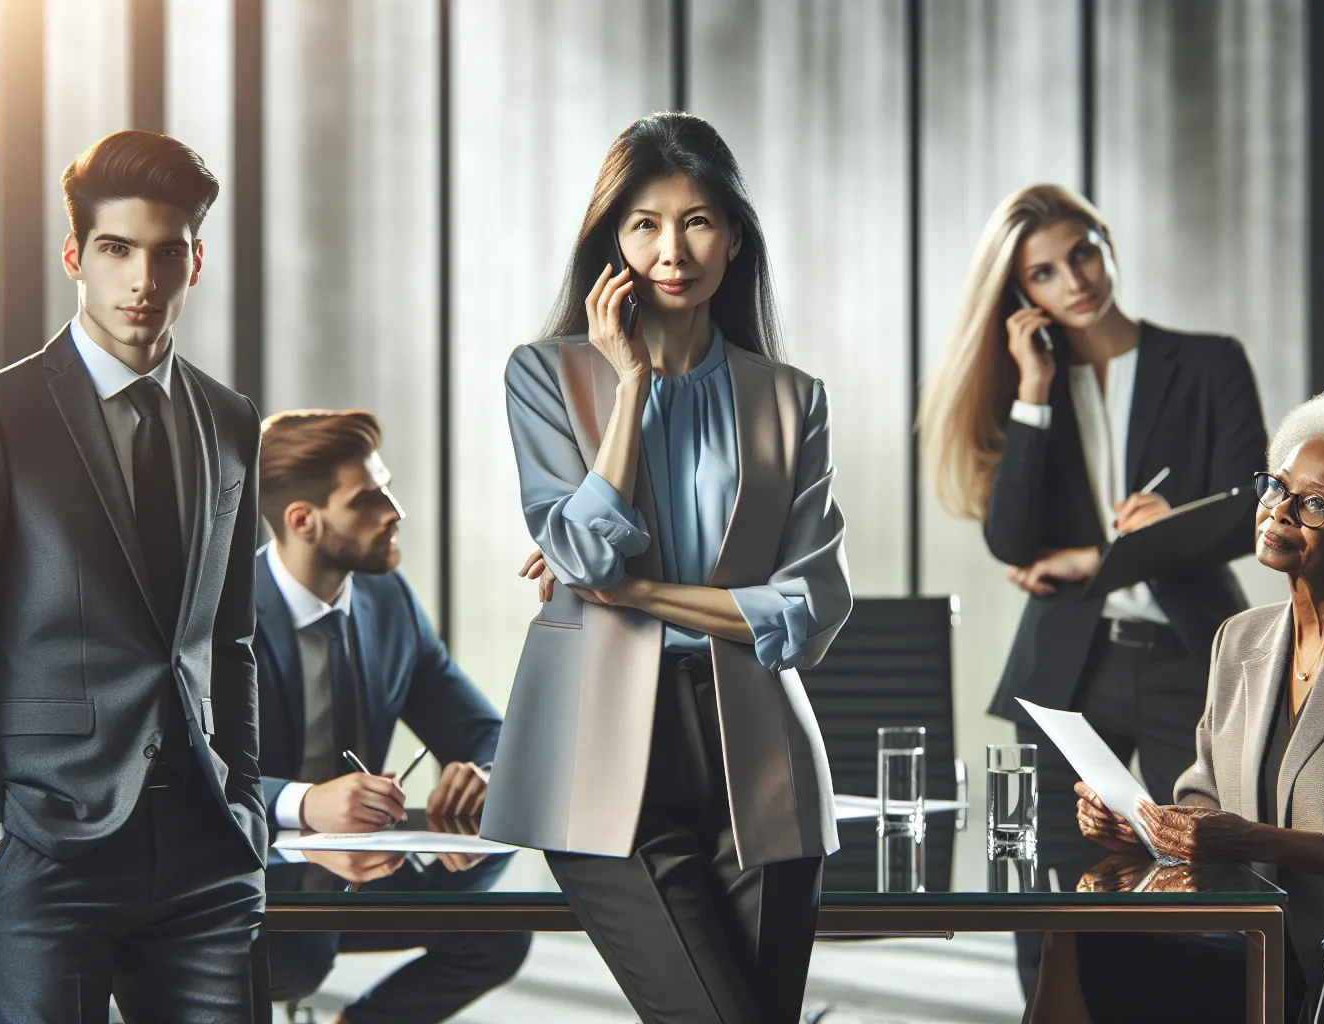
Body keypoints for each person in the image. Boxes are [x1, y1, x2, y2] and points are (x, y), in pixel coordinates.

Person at [0, 130, 264, 1020]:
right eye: (116, 249)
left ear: (196, 262)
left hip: (208, 850)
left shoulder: (231, 420)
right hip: (43, 846)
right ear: (74, 257)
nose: (142, 280)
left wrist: (244, 795)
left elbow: (230, 638)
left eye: (167, 253)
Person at [482, 111, 852, 1024]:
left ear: (734, 239)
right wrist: (631, 385)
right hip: (599, 747)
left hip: (760, 752)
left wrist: (638, 592)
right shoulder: (543, 375)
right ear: (613, 240)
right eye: (644, 224)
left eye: (697, 222)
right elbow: (581, 551)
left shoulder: (792, 400)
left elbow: (811, 606)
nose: (671, 250)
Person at [916, 182, 1268, 990]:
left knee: (1202, 872)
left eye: (1082, 253)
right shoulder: (1031, 384)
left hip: (1191, 659)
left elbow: (1254, 513)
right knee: (1045, 882)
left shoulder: (1209, 362)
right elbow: (1011, 542)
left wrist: (1153, 530)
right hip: (1070, 670)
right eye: (1042, 273)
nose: (1073, 280)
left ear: (1107, 243)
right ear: (1021, 296)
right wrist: (1034, 390)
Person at [1062, 394, 1324, 1022]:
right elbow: (1206, 800)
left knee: (1109, 964)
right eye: (1277, 486)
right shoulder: (1239, 637)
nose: (1280, 511)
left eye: (1314, 504)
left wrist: (1261, 841)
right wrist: (1147, 827)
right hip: (1254, 937)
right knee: (1082, 933)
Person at [253, 409, 530, 1024]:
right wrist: (305, 803)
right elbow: (191, 771)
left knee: (497, 933)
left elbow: (482, 731)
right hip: (253, 876)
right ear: (302, 520)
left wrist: (485, 772)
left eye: (387, 489)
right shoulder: (221, 615)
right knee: (292, 958)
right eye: (367, 500)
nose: (395, 511)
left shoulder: (387, 598)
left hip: (361, 870)